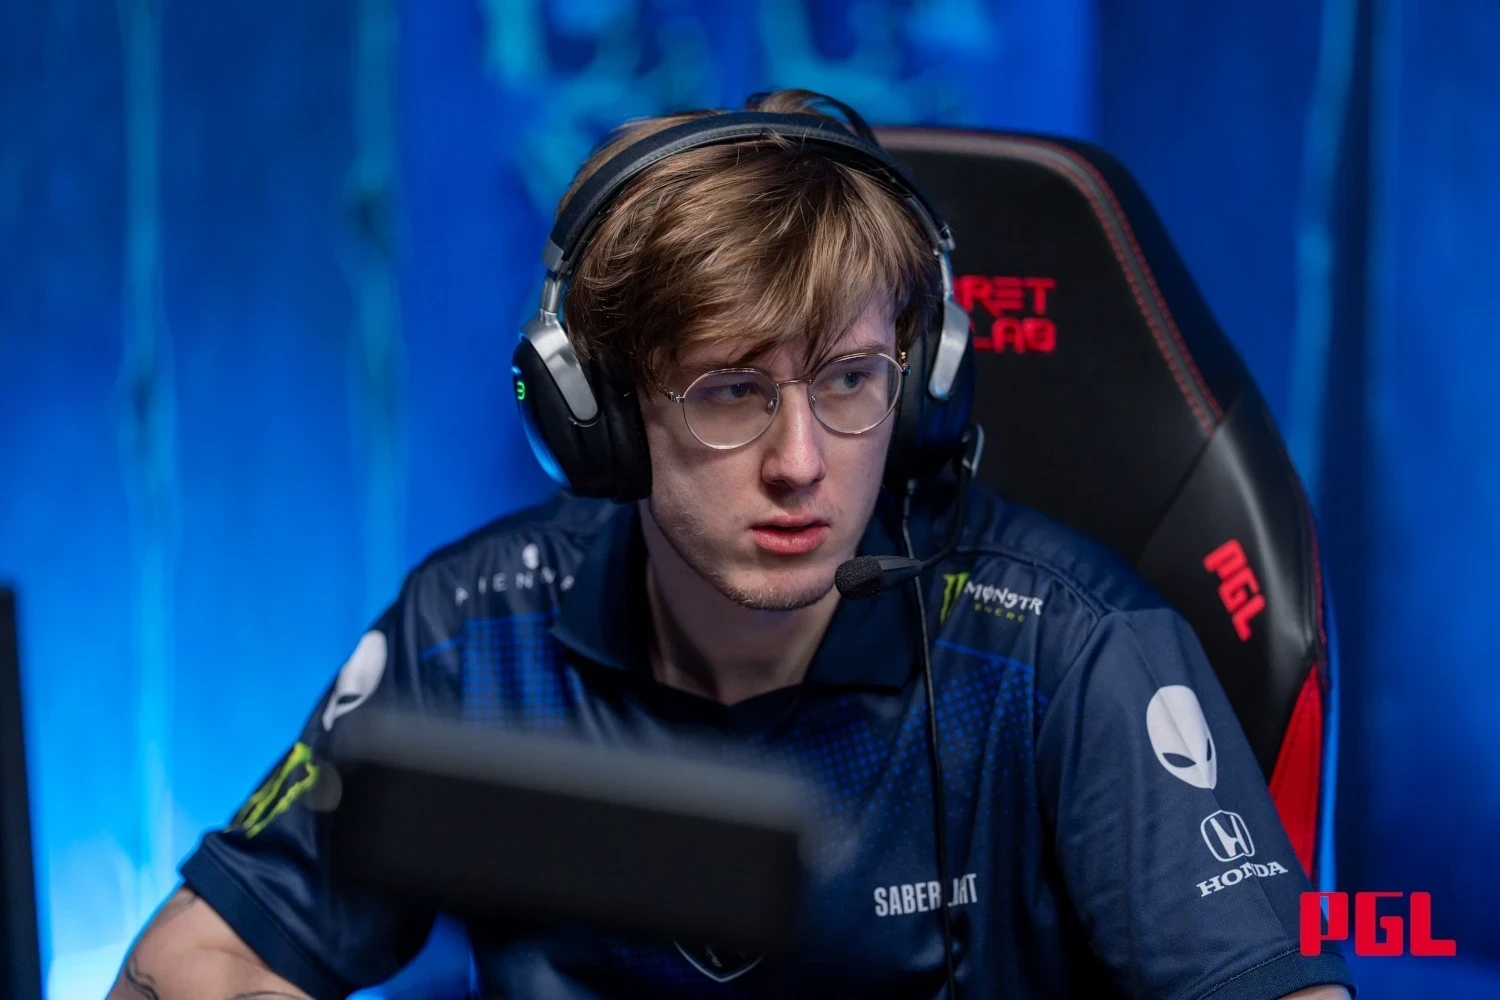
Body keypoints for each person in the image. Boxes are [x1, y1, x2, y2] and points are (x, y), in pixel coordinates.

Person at [110, 90, 1354, 1000]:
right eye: (729, 391)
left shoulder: (1067, 656)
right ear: (599, 415)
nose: (802, 460)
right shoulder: (474, 637)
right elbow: (186, 958)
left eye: (852, 380)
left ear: (922, 384)